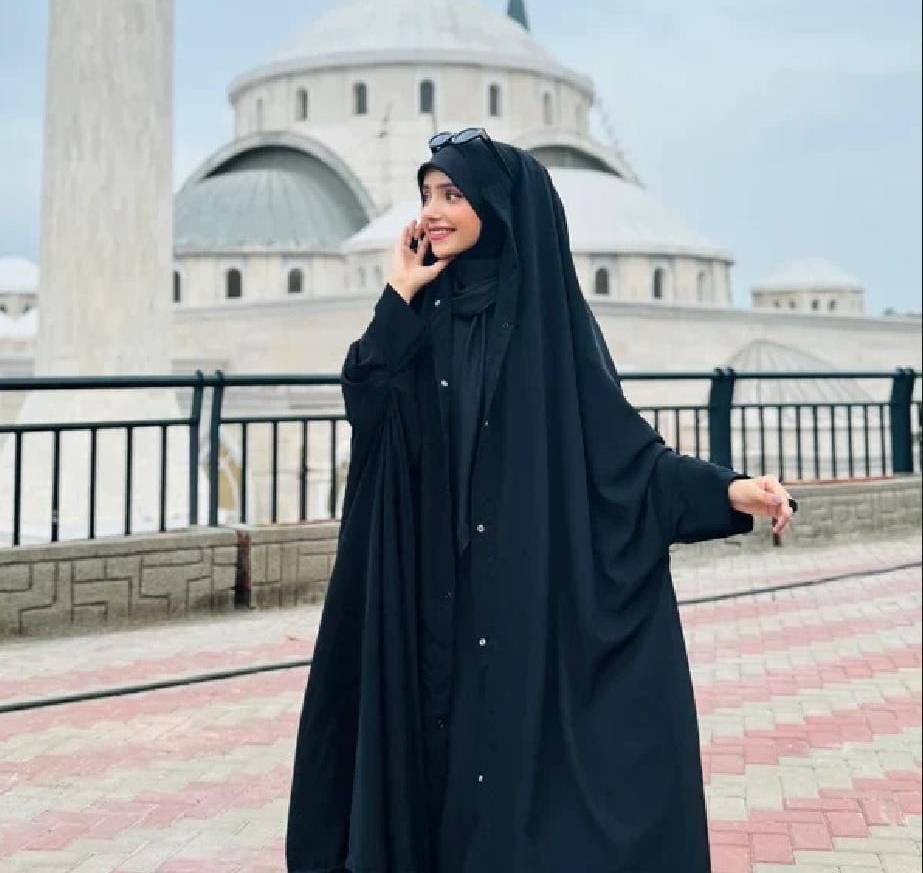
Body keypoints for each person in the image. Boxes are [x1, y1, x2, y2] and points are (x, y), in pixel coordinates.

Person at [286, 130, 795, 873]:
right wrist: (398, 294)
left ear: (498, 207)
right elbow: (367, 399)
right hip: (430, 589)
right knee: (433, 767)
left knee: (512, 779)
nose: (432, 211)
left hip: (521, 592)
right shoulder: (424, 315)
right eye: (426, 195)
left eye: (452, 195)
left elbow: (626, 461)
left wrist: (728, 490)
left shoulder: (550, 333)